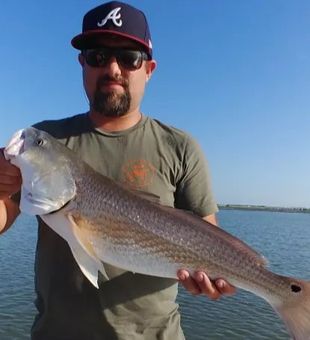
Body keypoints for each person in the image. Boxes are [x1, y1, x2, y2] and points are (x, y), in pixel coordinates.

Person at [0, 2, 235, 339]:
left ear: (149, 68)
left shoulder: (180, 147)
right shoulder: (46, 144)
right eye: (97, 56)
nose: (112, 68)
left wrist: (215, 278)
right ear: (82, 63)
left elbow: (210, 239)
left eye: (128, 58)